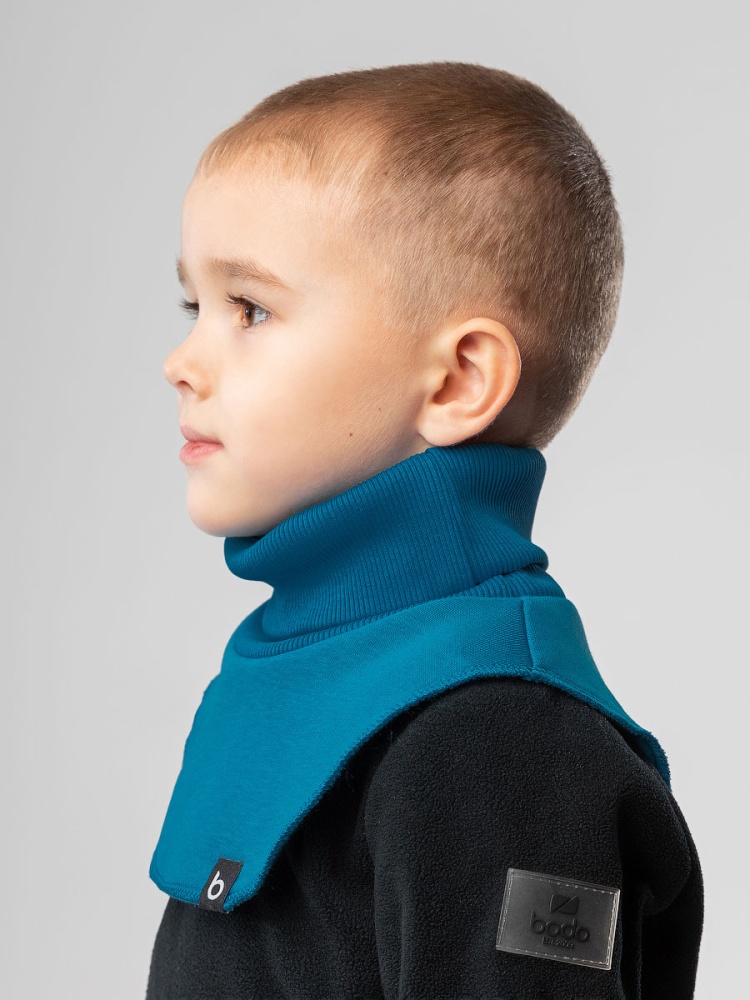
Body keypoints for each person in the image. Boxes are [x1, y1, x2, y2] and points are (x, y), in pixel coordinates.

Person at [146, 61, 703, 999]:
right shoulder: (307, 668)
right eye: (193, 307)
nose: (181, 360)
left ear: (456, 382)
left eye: (250, 308)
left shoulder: (502, 743)